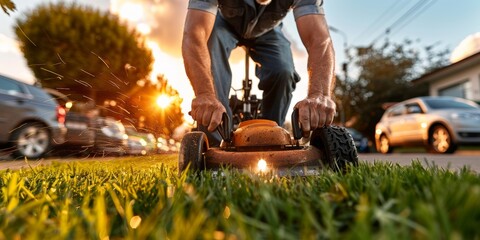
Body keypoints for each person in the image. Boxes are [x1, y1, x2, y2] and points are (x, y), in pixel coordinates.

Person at [182, 0, 336, 146]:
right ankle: (215, 142)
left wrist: (319, 94)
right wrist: (205, 94)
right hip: (223, 24)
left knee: (283, 71)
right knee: (212, 58)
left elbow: (319, 40)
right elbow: (195, 35)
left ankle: (273, 138)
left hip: (268, 30)